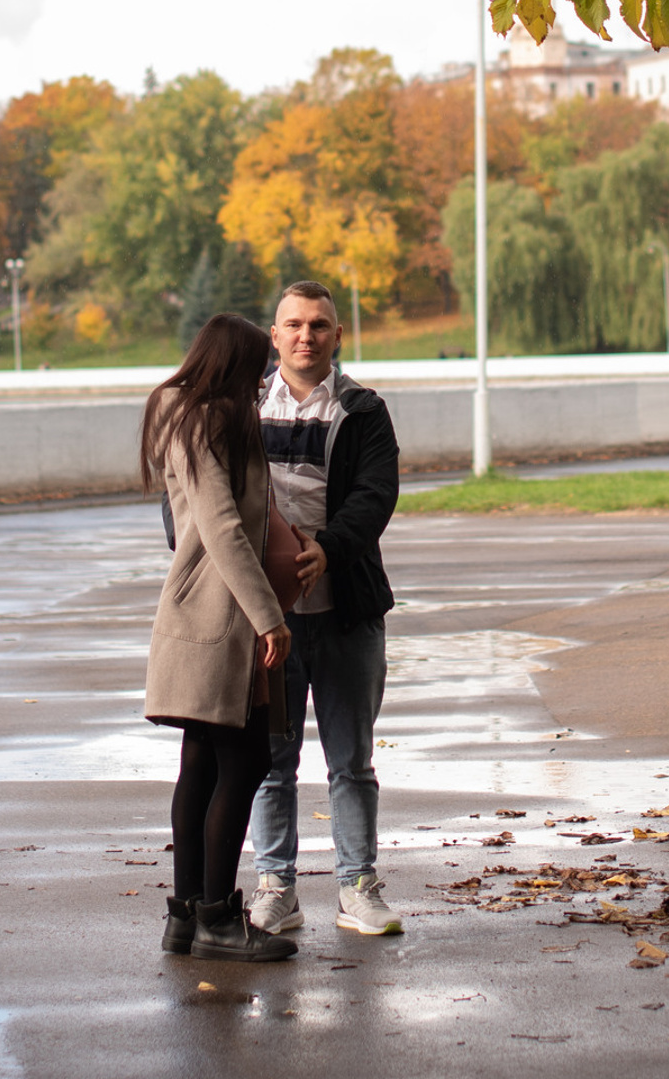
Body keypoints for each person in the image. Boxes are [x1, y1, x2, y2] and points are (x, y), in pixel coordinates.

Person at [142, 312, 301, 963]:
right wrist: (270, 616)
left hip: (203, 614)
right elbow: (223, 527)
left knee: (203, 762)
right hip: (218, 614)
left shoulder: (181, 413)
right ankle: (216, 918)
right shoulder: (204, 419)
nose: (261, 386)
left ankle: (187, 915)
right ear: (228, 367)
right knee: (243, 760)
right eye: (255, 373)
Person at [247, 280, 402, 937]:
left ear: (337, 336)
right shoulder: (242, 407)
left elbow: (375, 497)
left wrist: (328, 551)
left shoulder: (363, 410)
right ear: (274, 335)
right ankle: (275, 887)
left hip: (347, 612)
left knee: (352, 760)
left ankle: (357, 886)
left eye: (318, 325)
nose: (305, 336)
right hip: (266, 621)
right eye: (293, 325)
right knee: (270, 763)